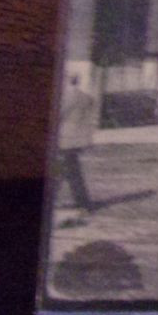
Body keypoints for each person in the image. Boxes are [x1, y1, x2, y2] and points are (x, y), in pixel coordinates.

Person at [55, 74, 97, 215]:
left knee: (66, 171)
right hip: (77, 139)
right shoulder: (86, 97)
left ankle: (83, 203)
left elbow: (57, 115)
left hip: (63, 139)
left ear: (66, 81)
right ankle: (82, 203)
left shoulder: (65, 98)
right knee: (66, 170)